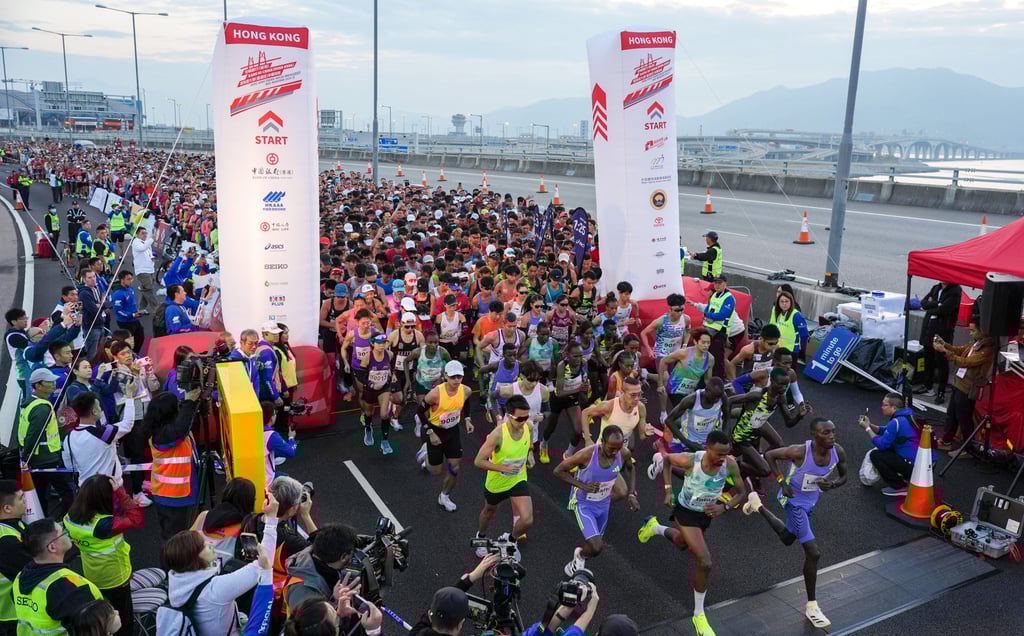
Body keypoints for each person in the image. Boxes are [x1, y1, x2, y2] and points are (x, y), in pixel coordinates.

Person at [636, 431, 746, 636]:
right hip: (685, 512)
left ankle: (655, 527)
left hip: (705, 515)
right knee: (705, 561)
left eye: (726, 454)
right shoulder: (691, 460)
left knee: (681, 542)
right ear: (707, 448)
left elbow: (741, 492)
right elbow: (667, 460)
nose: (722, 459)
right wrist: (668, 489)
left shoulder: (730, 464)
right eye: (718, 454)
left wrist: (726, 507)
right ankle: (698, 615)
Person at [743, 417, 848, 629]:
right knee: (813, 552)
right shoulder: (799, 451)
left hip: (810, 502)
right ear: (813, 435)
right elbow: (770, 455)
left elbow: (844, 475)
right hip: (793, 502)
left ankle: (757, 505)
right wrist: (781, 481)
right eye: (825, 433)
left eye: (833, 431)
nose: (831, 436)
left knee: (787, 538)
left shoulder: (838, 451)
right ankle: (812, 606)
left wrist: (833, 484)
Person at [163, 496, 276, 636]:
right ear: (194, 558)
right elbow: (266, 559)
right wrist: (271, 519)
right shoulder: (215, 590)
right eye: (203, 546)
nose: (210, 544)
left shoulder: (177, 581)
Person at [63, 475, 144, 636]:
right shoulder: (104, 525)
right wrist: (120, 492)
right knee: (122, 621)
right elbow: (135, 518)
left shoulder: (70, 517)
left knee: (102, 617)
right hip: (116, 577)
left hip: (92, 575)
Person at [556, 425, 639, 576]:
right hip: (583, 502)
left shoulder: (623, 452)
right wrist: (583, 486)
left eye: (618, 448)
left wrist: (631, 494)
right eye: (611, 448)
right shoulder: (586, 455)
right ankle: (580, 557)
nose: (615, 453)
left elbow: (630, 468)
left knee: (594, 547)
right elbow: (559, 471)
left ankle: (579, 557)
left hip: (604, 504)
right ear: (602, 442)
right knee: (596, 546)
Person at [13, 519, 103, 636]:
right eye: (63, 532)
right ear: (52, 547)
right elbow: (96, 626)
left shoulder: (20, 577)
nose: (67, 533)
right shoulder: (68, 587)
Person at [473, 395, 535, 559]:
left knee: (527, 519)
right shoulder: (498, 435)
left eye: (527, 416)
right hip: (497, 483)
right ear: (508, 415)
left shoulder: (528, 426)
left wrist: (530, 454)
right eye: (520, 418)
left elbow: (530, 441)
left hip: (518, 479)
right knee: (489, 511)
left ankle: (510, 541)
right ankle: (481, 537)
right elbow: (478, 461)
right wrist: (503, 467)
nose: (524, 421)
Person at [730, 369, 810, 486]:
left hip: (756, 432)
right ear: (771, 381)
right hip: (741, 438)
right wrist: (726, 429)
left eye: (786, 385)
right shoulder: (757, 396)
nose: (783, 388)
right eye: (780, 384)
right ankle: (737, 465)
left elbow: (789, 423)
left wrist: (799, 416)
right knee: (765, 470)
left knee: (778, 445)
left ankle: (751, 464)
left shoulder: (780, 398)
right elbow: (729, 400)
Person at [142, 389, 202, 540]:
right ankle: (174, 563)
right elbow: (181, 428)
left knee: (175, 537)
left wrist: (194, 403)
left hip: (170, 494)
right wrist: (189, 402)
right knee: (175, 540)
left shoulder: (161, 429)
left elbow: (183, 424)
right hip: (173, 496)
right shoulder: (163, 435)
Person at [18, 368, 76, 518]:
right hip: (47, 458)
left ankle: (43, 523)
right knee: (69, 492)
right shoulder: (42, 408)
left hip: (36, 459)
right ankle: (62, 522)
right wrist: (26, 457)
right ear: (38, 385)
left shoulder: (29, 403)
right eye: (49, 382)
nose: (53, 384)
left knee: (40, 494)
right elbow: (33, 435)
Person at [418, 361, 474, 512]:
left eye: (459, 376)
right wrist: (430, 433)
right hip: (436, 431)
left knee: (455, 467)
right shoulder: (435, 394)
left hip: (453, 431)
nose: (456, 380)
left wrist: (467, 419)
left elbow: (467, 402)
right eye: (453, 377)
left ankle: (444, 496)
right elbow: (419, 412)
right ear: (445, 376)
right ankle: (425, 454)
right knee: (435, 471)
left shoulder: (465, 390)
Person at [650, 378, 730, 479]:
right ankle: (663, 460)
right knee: (693, 475)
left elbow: (727, 417)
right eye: (714, 397)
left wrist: (725, 439)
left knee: (713, 471)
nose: (716, 400)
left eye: (719, 397)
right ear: (707, 390)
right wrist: (688, 443)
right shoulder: (691, 400)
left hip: (710, 441)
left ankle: (663, 456)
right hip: (690, 440)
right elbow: (669, 420)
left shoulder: (722, 397)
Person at [406, 554, 502, 636]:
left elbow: (444, 602)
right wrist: (473, 576)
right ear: (460, 624)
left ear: (431, 616)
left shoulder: (417, 633)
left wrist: (472, 576)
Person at [934, 325, 994, 452]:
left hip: (968, 387)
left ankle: (968, 449)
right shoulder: (975, 343)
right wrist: (945, 344)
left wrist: (944, 351)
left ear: (982, 331)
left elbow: (966, 362)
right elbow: (960, 350)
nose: (970, 333)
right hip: (959, 383)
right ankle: (947, 440)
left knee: (964, 418)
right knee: (952, 415)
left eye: (973, 330)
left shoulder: (987, 349)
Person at [62, 389, 136, 486]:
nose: (101, 409)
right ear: (94, 411)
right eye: (99, 406)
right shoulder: (102, 433)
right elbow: (128, 423)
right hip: (109, 488)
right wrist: (129, 396)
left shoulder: (68, 437)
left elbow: (69, 466)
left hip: (85, 489)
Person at [282, 524, 359, 613]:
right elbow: (307, 624)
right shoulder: (302, 591)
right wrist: (335, 602)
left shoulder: (316, 552)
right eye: (352, 553)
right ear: (343, 557)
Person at [861, 393, 926, 496]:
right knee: (890, 447)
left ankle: (901, 486)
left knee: (876, 455)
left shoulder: (896, 422)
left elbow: (882, 445)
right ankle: (907, 477)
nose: (882, 407)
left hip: (916, 467)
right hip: (925, 464)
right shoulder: (908, 415)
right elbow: (886, 430)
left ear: (894, 408)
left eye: (885, 405)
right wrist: (870, 425)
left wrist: (867, 429)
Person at [640, 294, 689, 422]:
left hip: (676, 354)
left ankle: (648, 375)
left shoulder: (686, 319)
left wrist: (684, 345)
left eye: (682, 309)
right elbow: (643, 333)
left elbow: (688, 331)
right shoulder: (662, 321)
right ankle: (663, 412)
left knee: (674, 381)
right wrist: (650, 350)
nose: (679, 313)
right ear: (670, 309)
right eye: (676, 310)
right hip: (662, 354)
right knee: (665, 381)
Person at [914, 281, 963, 403]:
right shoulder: (935, 288)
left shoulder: (956, 291)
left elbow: (945, 310)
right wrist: (937, 304)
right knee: (928, 359)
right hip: (928, 329)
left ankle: (941, 390)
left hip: (943, 332)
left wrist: (932, 305)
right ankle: (928, 386)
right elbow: (924, 303)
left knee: (942, 361)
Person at [542, 341, 590, 462]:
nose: (579, 359)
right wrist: (578, 389)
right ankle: (544, 444)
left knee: (579, 431)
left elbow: (584, 381)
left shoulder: (583, 363)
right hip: (558, 400)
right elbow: (559, 393)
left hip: (572, 400)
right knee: (551, 427)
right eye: (575, 356)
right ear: (568, 355)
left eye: (580, 355)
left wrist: (584, 388)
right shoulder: (562, 366)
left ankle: (568, 455)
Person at [191, 478, 256, 563]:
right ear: (250, 501)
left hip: (195, 570)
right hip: (228, 574)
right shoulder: (248, 526)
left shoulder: (203, 516)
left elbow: (186, 544)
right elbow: (253, 560)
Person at [579, 376, 650, 448]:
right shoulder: (609, 406)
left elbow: (642, 437)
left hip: (621, 453)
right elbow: (585, 413)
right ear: (623, 392)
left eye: (639, 394)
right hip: (603, 453)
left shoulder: (640, 408)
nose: (637, 399)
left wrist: (647, 434)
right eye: (633, 395)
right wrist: (588, 439)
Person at [658, 329, 714, 414]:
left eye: (708, 343)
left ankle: (646, 374)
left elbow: (707, 380)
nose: (706, 345)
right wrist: (660, 385)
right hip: (675, 389)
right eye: (703, 342)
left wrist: (713, 393)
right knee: (683, 413)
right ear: (695, 342)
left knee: (690, 414)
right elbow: (663, 361)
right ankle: (665, 417)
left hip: (691, 390)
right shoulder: (683, 353)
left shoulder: (710, 359)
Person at [688, 274, 733, 378]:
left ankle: (718, 381)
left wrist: (709, 315)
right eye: (715, 283)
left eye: (720, 283)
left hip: (719, 332)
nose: (717, 285)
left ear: (725, 284)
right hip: (709, 329)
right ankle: (705, 379)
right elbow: (708, 308)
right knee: (706, 355)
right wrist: (697, 306)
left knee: (717, 359)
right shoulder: (715, 296)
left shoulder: (728, 298)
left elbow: (724, 314)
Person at [359, 334, 397, 454]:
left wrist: (393, 375)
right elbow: (361, 376)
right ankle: (368, 429)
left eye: (383, 343)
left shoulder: (389, 354)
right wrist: (371, 385)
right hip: (370, 389)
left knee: (384, 414)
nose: (381, 345)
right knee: (369, 412)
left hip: (384, 387)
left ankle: (385, 441)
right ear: (372, 343)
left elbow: (391, 367)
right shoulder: (367, 357)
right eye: (379, 343)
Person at [0, 481, 29, 636]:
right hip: (10, 614)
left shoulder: (13, 525)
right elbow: (30, 571)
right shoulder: (6, 541)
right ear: (7, 508)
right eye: (21, 498)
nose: (25, 501)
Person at [110, 271, 144, 352]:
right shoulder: (118, 294)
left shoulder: (130, 288)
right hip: (125, 322)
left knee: (140, 337)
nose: (131, 281)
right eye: (128, 279)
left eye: (131, 279)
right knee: (128, 342)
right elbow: (118, 310)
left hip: (135, 319)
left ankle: (134, 354)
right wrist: (131, 315)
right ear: (122, 280)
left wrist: (136, 312)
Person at [769, 290, 808, 358]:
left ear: (791, 302)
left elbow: (804, 335)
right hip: (779, 349)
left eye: (786, 301)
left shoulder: (796, 315)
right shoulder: (779, 314)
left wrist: (802, 351)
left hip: (792, 351)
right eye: (782, 301)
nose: (784, 303)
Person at [130, 227, 159, 315]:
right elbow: (142, 248)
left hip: (149, 269)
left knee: (145, 289)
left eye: (146, 233)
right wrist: (152, 239)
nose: (145, 235)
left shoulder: (145, 243)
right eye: (143, 233)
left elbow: (147, 253)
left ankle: (141, 308)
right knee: (148, 290)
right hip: (142, 270)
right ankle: (157, 309)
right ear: (137, 234)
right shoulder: (136, 242)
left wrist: (152, 258)